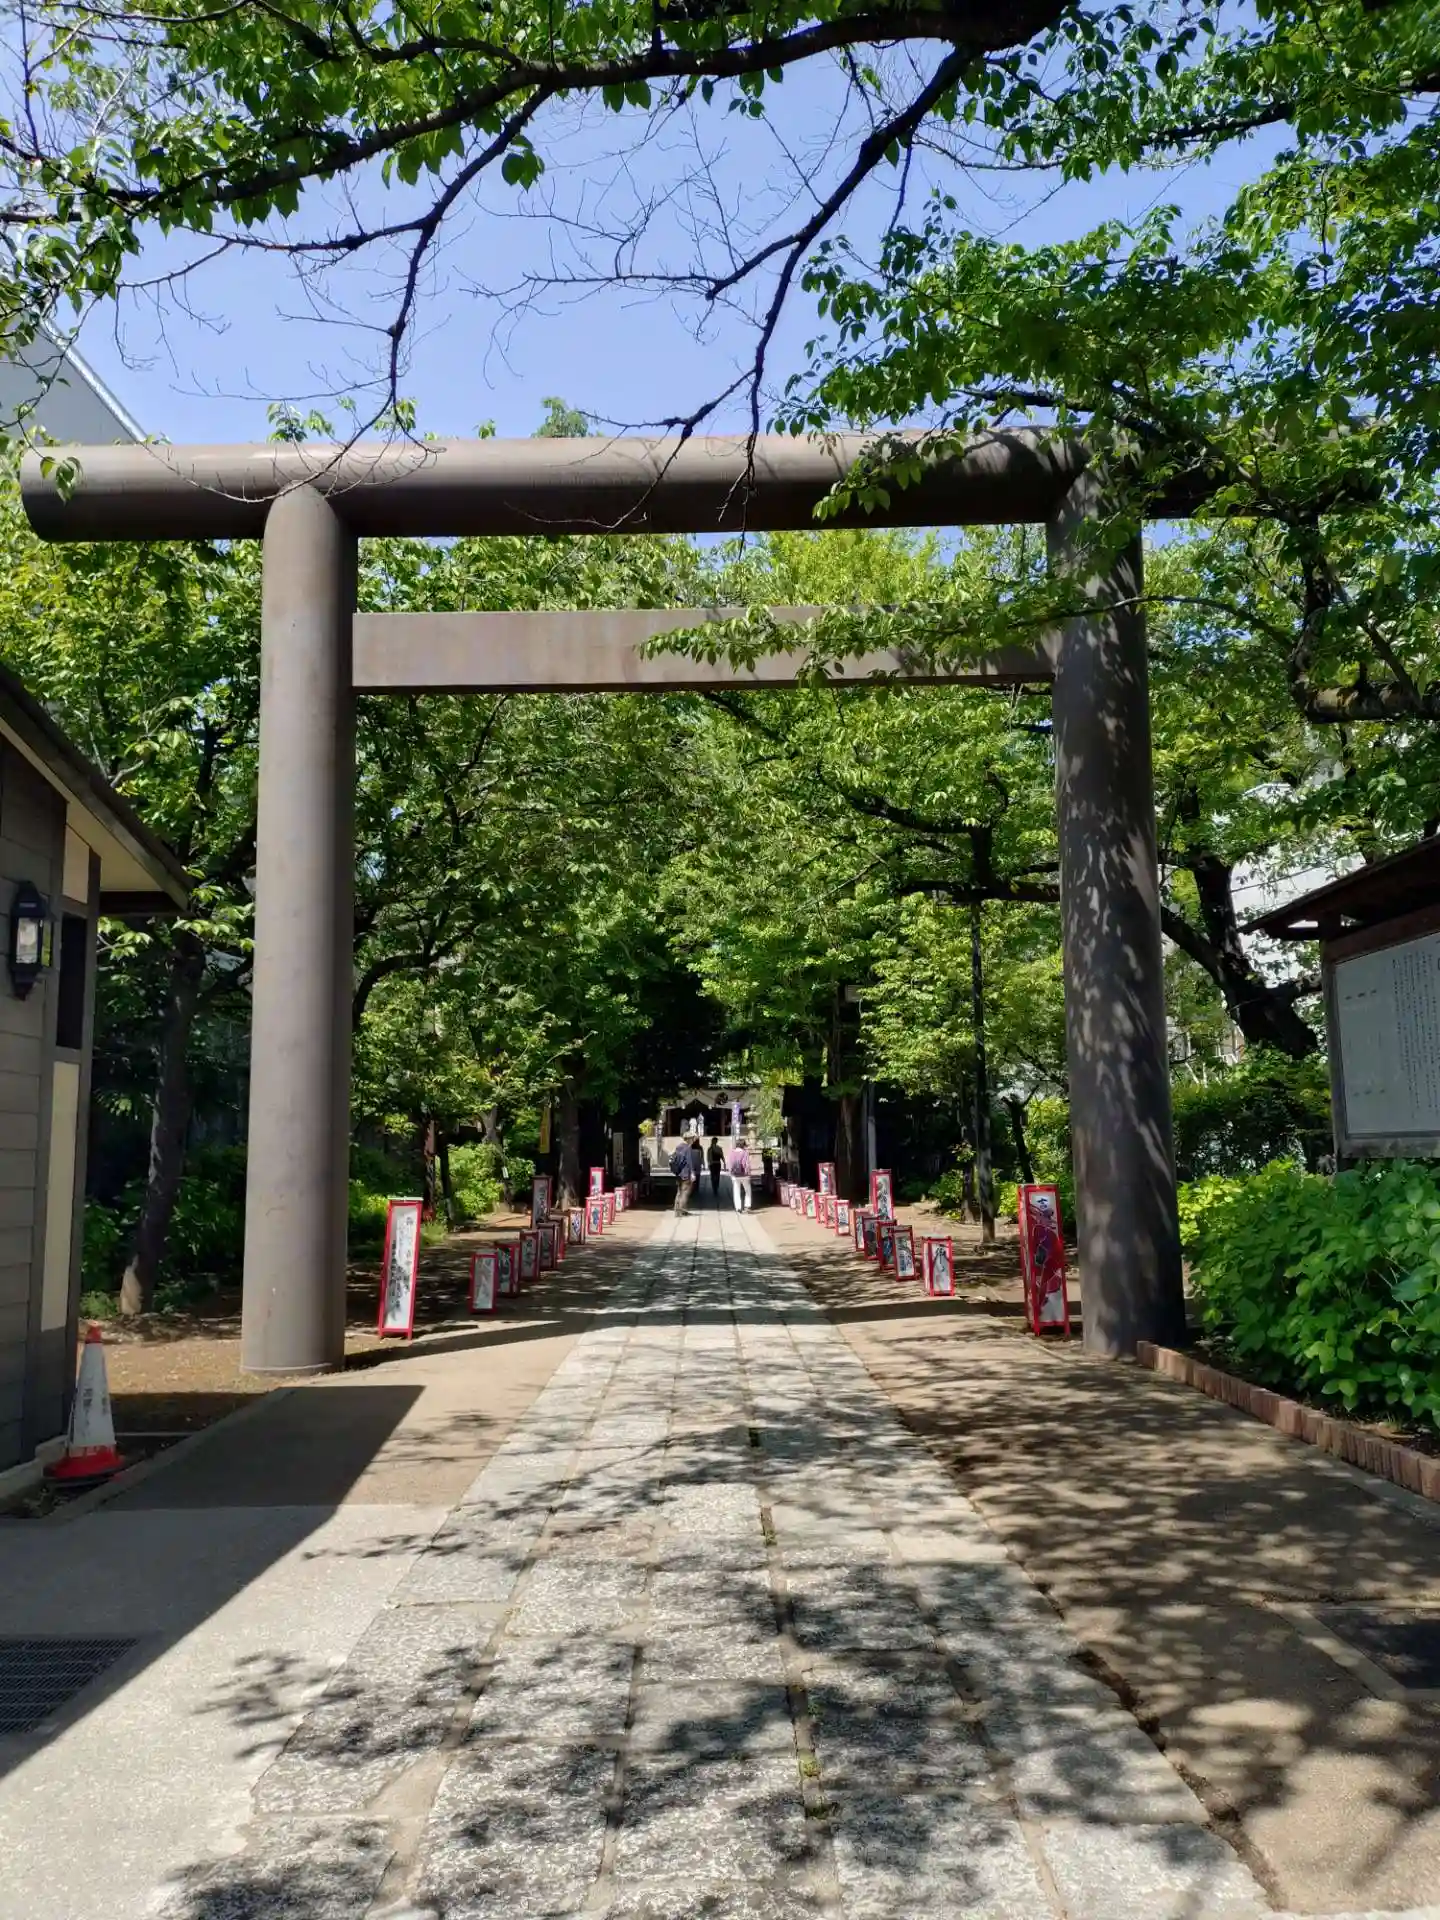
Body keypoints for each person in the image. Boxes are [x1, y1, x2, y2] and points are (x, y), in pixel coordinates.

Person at [670, 1137, 694, 1215]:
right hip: (685, 1173)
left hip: (678, 1173)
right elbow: (689, 1161)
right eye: (692, 1139)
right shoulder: (688, 1148)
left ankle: (676, 1210)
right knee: (685, 1192)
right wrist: (692, 1173)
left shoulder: (678, 1147)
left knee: (679, 1192)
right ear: (689, 1139)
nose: (693, 1140)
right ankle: (681, 1210)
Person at [729, 1136, 752, 1212]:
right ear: (743, 1145)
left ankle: (738, 1207)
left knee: (736, 1191)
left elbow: (730, 1164)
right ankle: (747, 1206)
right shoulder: (745, 1152)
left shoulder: (732, 1152)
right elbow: (747, 1164)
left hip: (735, 1175)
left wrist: (731, 1173)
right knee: (747, 1190)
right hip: (744, 1175)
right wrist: (749, 1173)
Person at [688, 1132, 705, 1206]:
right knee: (697, 1178)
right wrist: (703, 1164)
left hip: (692, 1164)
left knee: (692, 1178)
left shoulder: (689, 1147)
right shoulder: (699, 1147)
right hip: (697, 1164)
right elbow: (702, 1157)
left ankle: (691, 1191)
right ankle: (695, 1190)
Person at [707, 1135, 724, 1202]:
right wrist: (724, 1162)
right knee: (717, 1176)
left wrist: (709, 1164)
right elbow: (722, 1156)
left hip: (712, 1164)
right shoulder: (719, 1148)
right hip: (718, 1163)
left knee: (712, 1176)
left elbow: (708, 1158)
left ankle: (714, 1188)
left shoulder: (710, 1149)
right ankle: (716, 1187)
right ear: (716, 1141)